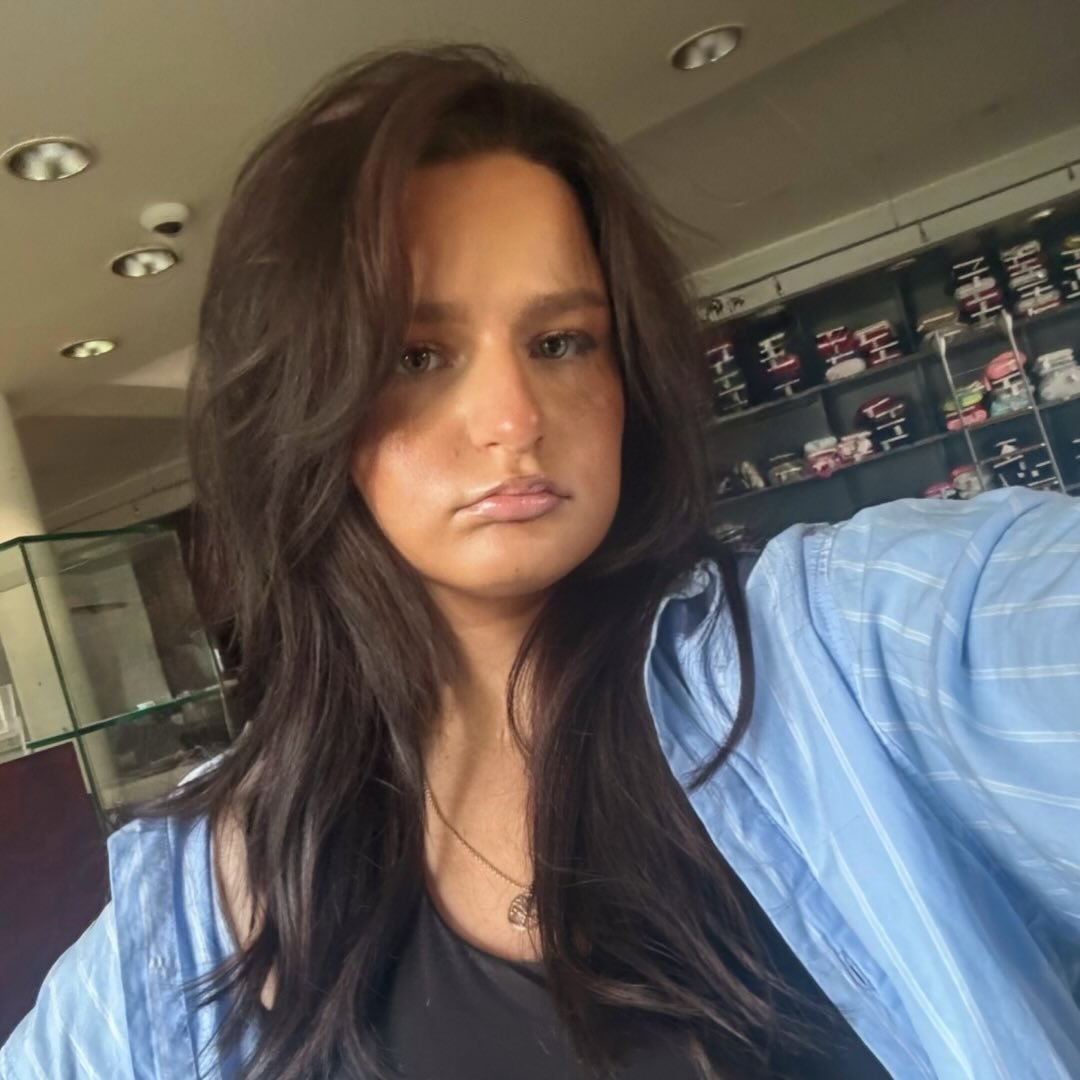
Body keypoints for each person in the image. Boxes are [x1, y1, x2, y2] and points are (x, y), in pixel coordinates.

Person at [3, 44, 1079, 1080]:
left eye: (560, 342)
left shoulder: (845, 649)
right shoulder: (206, 886)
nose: (514, 419)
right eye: (417, 355)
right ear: (304, 409)